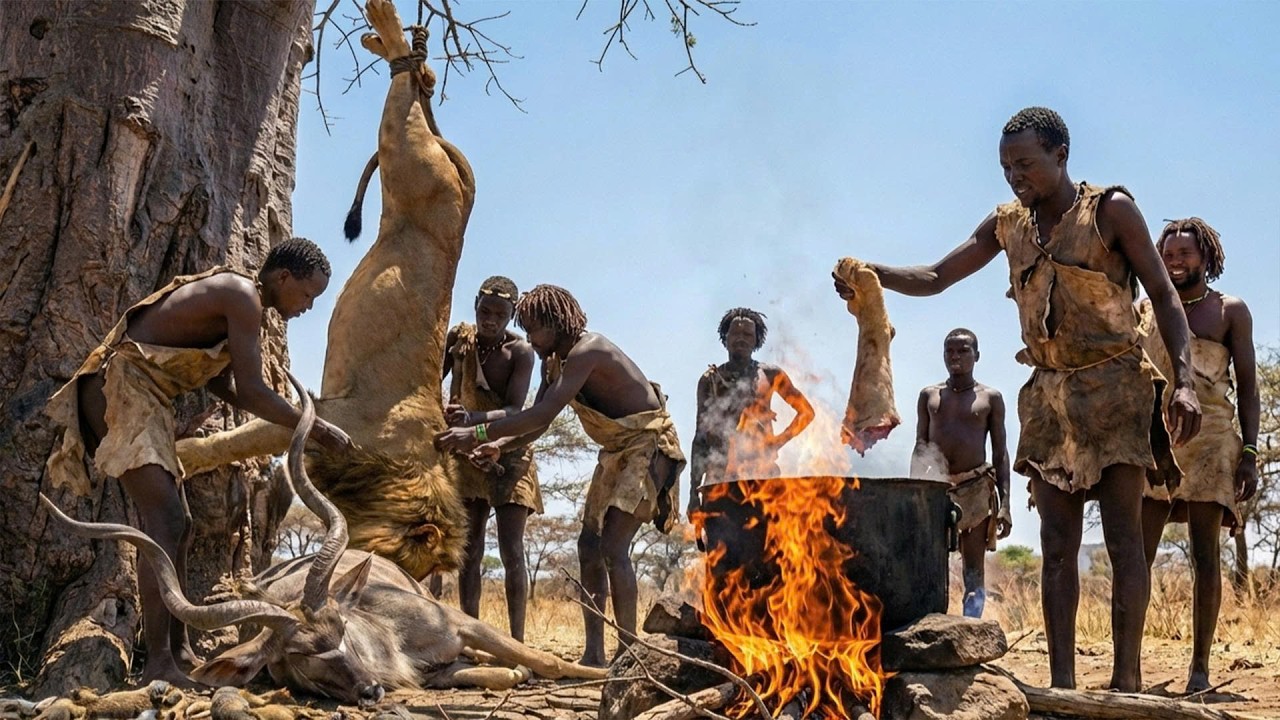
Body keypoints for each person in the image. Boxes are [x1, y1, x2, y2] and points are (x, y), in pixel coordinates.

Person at [833, 106, 1201, 691]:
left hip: (1115, 390)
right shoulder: (1008, 224)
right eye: (1006, 167)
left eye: (1026, 164)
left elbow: (1163, 295)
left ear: (1061, 156)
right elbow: (936, 276)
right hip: (1050, 398)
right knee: (1056, 546)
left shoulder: (1109, 211)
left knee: (1125, 540)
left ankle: (1127, 684)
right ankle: (1061, 685)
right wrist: (871, 273)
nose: (1015, 177)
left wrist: (1182, 378)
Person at [44, 238, 355, 686]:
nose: (308, 306)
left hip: (145, 400)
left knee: (180, 523)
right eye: (307, 294)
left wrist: (289, 414)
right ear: (283, 278)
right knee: (165, 521)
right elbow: (250, 391)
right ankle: (157, 664)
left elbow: (225, 385)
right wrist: (315, 425)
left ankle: (180, 649)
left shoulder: (244, 304)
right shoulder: (242, 296)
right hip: (123, 390)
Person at [435, 284, 685, 667]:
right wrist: (501, 447)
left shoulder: (589, 351)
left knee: (614, 547)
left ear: (555, 323)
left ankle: (630, 653)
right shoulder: (556, 359)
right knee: (589, 545)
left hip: (646, 447)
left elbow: (541, 414)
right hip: (616, 452)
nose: (531, 340)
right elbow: (536, 422)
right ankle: (594, 654)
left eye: (534, 329)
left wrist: (479, 432)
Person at [1138, 218, 1258, 693]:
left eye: (1185, 254)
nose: (1175, 262)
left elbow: (1247, 388)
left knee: (1205, 557)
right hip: (1153, 440)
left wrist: (1249, 451)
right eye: (1168, 255)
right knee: (1136, 556)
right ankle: (1129, 666)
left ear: (1206, 258)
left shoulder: (1229, 311)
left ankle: (1200, 668)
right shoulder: (1146, 311)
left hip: (1211, 440)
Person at [440, 275, 543, 642]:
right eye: (485, 311)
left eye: (500, 314)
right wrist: (448, 417)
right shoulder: (459, 341)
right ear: (475, 308)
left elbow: (515, 409)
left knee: (511, 548)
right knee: (471, 547)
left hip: (511, 451)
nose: (490, 320)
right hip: (467, 452)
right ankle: (473, 636)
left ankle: (517, 641)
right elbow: (432, 380)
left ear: (511, 316)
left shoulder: (520, 353)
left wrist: (475, 421)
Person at [911, 328, 1011, 618]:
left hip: (976, 490)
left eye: (963, 351)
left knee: (973, 569)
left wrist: (1004, 505)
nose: (955, 357)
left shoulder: (990, 398)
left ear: (976, 356)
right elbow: (921, 445)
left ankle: (971, 626)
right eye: (950, 351)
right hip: (937, 490)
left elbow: (1000, 453)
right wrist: (913, 491)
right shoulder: (929, 396)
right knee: (932, 566)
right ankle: (933, 624)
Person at [689, 307, 814, 516]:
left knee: (769, 542)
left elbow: (806, 412)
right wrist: (693, 493)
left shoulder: (770, 374)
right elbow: (700, 437)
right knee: (721, 545)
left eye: (747, 334)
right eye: (735, 333)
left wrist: (777, 441)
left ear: (756, 340)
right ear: (725, 338)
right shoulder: (709, 380)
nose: (741, 339)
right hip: (718, 480)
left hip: (761, 475)